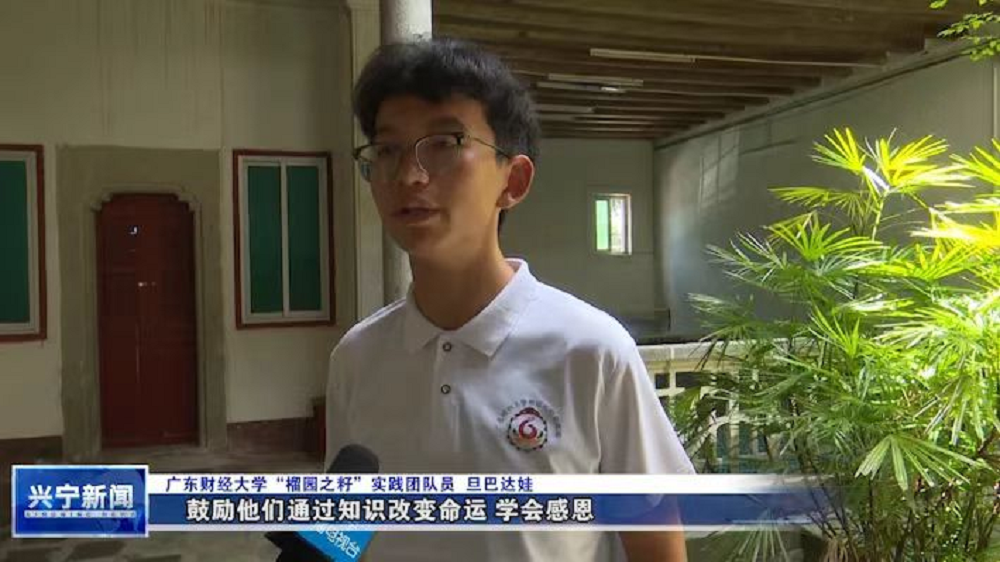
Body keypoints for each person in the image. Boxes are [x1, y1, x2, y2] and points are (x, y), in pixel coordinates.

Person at [326, 38, 693, 562]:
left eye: (444, 144)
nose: (408, 175)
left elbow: (656, 547)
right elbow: (344, 534)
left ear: (513, 180)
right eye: (387, 150)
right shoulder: (357, 359)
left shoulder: (592, 351)